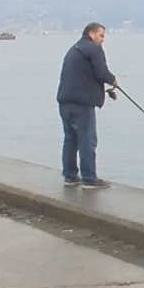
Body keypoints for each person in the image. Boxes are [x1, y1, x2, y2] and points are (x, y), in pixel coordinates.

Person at [55, 22, 117, 189]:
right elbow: (102, 72)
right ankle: (89, 178)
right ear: (91, 34)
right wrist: (113, 80)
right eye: (101, 35)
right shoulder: (93, 49)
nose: (102, 40)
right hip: (82, 103)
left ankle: (70, 176)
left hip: (64, 101)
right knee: (87, 140)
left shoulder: (74, 48)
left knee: (70, 139)